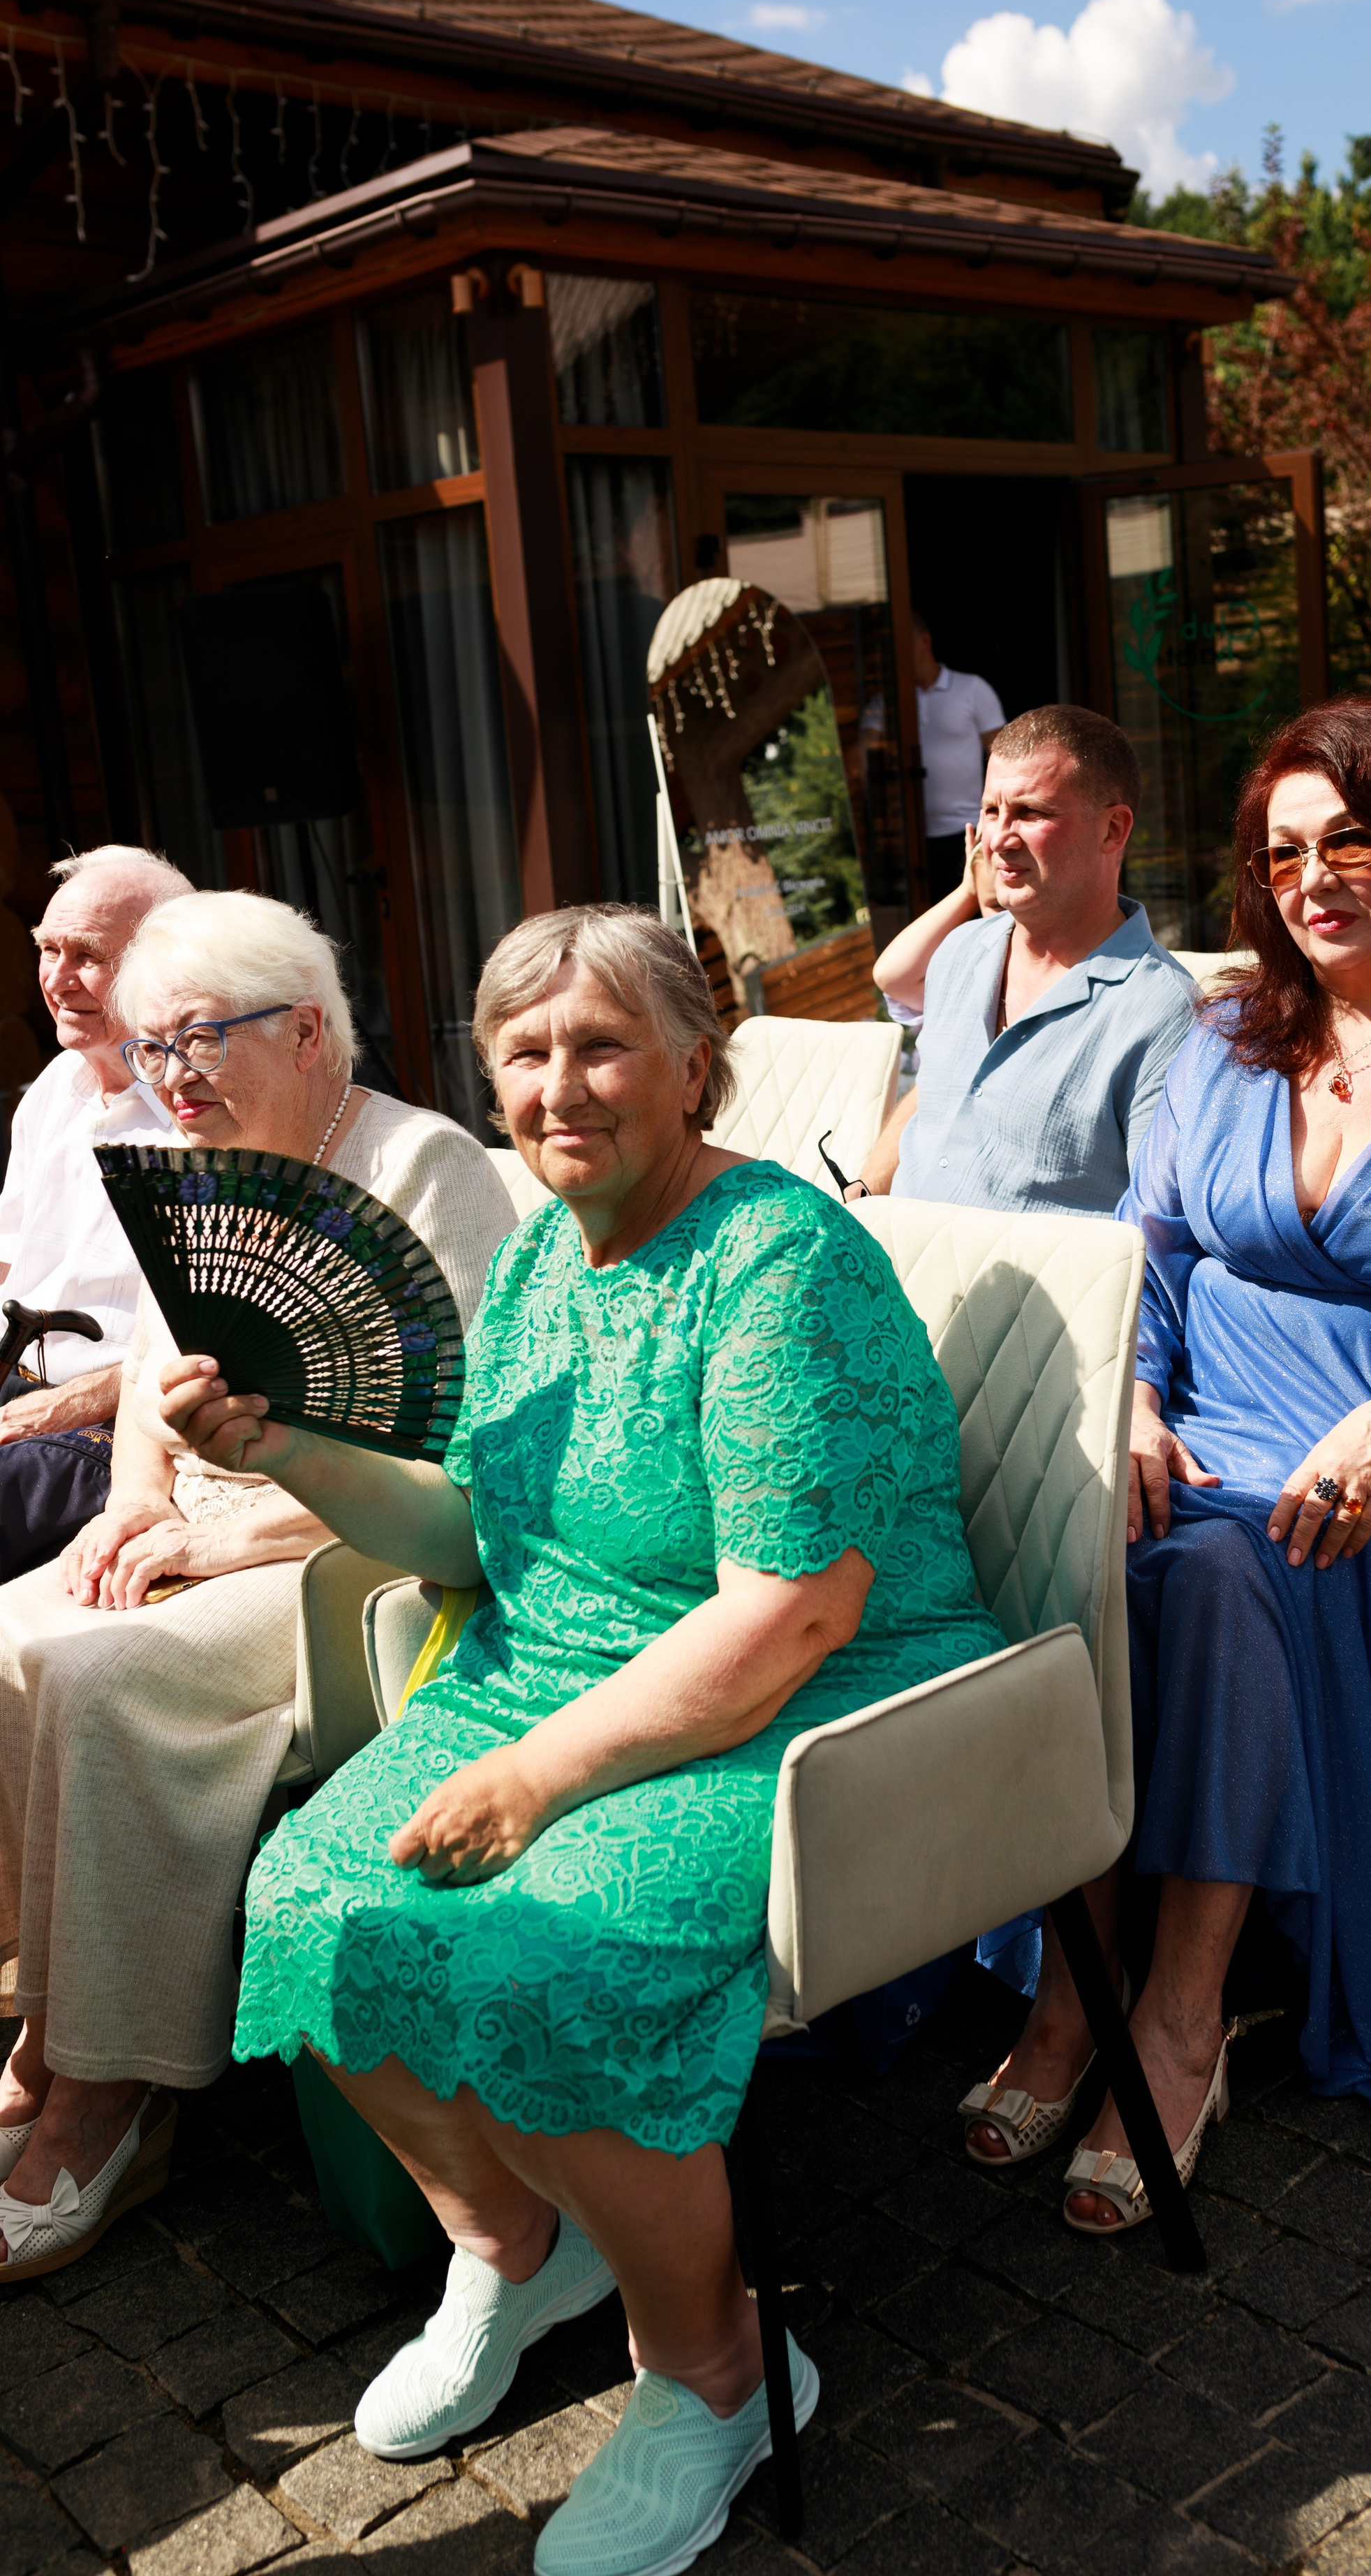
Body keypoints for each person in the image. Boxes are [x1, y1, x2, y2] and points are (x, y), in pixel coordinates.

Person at [161, 905, 1005, 2573]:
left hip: (823, 1705)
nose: (560, 1084)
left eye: (602, 1042)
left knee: (544, 1964)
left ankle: (714, 2366)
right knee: (314, 1899)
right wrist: (289, 1450)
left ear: (700, 1061)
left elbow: (789, 1614)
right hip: (555, 1667)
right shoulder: (550, 1247)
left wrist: (540, 1775)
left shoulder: (780, 1263)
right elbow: (472, 1530)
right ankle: (515, 2239)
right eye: (525, 1054)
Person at [962, 698, 1371, 2218]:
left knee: (1206, 1575)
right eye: (1279, 853)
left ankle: (1163, 2010)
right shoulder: (1223, 1037)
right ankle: (1082, 1970)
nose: (1307, 878)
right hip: (1207, 1431)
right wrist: (1128, 1401)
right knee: (1082, 1549)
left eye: (1348, 842)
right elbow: (1155, 1253)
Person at [0, 890, 516, 2277]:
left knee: (99, 1676)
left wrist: (228, 1538)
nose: (168, 1078)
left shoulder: (426, 1167)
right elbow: (145, 1406)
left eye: (196, 1040)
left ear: (304, 1032)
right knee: (12, 1631)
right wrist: (135, 1506)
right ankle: (50, 2018)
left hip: (337, 1566)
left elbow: (459, 1455)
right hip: (197, 1531)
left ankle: (114, 2099)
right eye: (149, 1047)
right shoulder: (204, 1164)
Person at [866, 705, 1196, 1211]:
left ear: (1113, 830)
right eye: (991, 811)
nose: (998, 839)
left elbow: (1158, 1228)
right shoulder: (960, 951)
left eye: (1031, 812)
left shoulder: (1164, 1013)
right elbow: (934, 1098)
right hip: (887, 1270)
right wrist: (861, 1192)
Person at [0, 846, 192, 1576]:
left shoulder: (200, 1112)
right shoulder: (57, 1085)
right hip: (18, 1389)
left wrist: (74, 1402)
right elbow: (11, 1259)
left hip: (109, 1424)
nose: (55, 979)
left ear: (163, 965)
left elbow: (217, 1345)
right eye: (47, 949)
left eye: (88, 955)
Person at [872, 823, 1000, 1032]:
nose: (1015, 913)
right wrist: (968, 891)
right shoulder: (979, 979)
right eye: (998, 906)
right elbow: (892, 976)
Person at [914, 611, 1005, 904]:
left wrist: (997, 820)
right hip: (913, 843)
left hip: (968, 833)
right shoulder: (888, 703)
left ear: (925, 640)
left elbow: (1004, 760)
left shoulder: (972, 689)